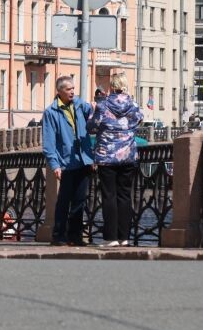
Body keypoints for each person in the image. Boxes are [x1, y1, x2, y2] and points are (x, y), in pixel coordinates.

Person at [88, 73, 143, 248]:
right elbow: (138, 121)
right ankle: (124, 237)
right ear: (125, 86)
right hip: (128, 156)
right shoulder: (134, 105)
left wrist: (92, 112)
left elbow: (92, 127)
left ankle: (110, 237)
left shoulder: (103, 105)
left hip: (107, 156)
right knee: (125, 196)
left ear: (111, 86)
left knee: (109, 196)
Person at [41, 75, 94, 247]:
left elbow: (94, 114)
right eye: (68, 89)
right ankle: (59, 235)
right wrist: (54, 164)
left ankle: (76, 235)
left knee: (80, 200)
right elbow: (49, 142)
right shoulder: (51, 112)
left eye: (73, 88)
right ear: (59, 91)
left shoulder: (80, 105)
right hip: (65, 161)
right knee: (64, 200)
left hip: (83, 159)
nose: (72, 92)